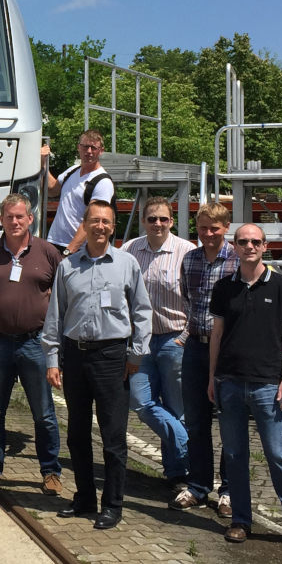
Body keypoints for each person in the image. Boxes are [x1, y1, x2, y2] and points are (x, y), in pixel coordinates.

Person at [42, 200, 152, 530]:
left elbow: (143, 312)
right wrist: (52, 358)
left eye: (105, 221)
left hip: (111, 358)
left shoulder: (127, 264)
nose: (100, 226)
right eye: (94, 221)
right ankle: (85, 497)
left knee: (113, 436)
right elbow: (55, 316)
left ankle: (112, 504)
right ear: (85, 226)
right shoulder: (68, 266)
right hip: (75, 356)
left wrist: (134, 355)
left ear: (113, 227)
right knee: (76, 433)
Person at [208, 224, 282, 551]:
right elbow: (217, 335)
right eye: (243, 242)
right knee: (235, 455)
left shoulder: (281, 286)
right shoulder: (224, 288)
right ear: (234, 247)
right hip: (230, 382)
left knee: (278, 455)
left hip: (269, 385)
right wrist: (212, 377)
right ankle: (241, 520)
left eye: (255, 241)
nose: (249, 246)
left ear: (264, 246)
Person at [0, 193, 62, 497]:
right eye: (9, 216)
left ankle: (50, 471)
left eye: (19, 216)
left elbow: (60, 294)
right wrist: (3, 313)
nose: (14, 221)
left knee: (43, 413)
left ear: (30, 219)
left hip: (35, 343)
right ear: (1, 219)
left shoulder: (48, 253)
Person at [121, 197, 195, 488]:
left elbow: (199, 300)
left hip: (174, 339)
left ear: (172, 221)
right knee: (140, 402)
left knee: (177, 408)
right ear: (143, 221)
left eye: (163, 219)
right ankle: (188, 443)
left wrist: (185, 337)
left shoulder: (186, 252)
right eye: (152, 219)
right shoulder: (129, 251)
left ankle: (179, 474)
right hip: (142, 342)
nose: (158, 224)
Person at [172, 202, 237, 515]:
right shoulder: (191, 259)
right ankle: (198, 486)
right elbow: (188, 299)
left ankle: (229, 490)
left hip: (228, 352)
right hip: (196, 348)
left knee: (229, 423)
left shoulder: (237, 260)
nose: (208, 234)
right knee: (196, 422)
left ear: (226, 228)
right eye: (203, 228)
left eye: (215, 228)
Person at [45, 130, 115, 255]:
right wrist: (43, 163)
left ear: (101, 151)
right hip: (54, 242)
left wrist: (70, 251)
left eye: (93, 147)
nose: (88, 151)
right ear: (79, 147)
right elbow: (52, 190)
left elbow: (94, 219)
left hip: (79, 250)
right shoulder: (72, 170)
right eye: (85, 146)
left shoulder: (103, 182)